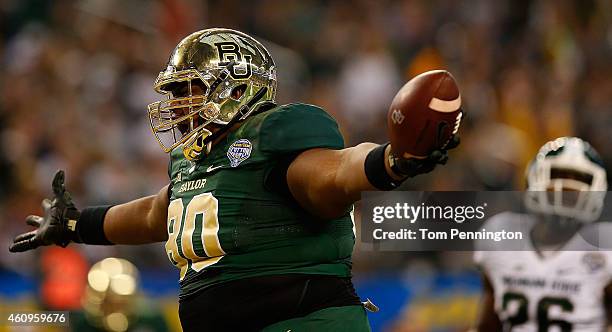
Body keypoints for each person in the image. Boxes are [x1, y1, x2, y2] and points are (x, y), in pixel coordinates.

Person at [10, 28, 458, 331]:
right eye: (176, 91)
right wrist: (77, 224)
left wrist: (390, 162)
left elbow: (335, 171)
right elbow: (154, 213)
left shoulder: (276, 133)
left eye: (191, 89)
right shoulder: (197, 160)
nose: (179, 103)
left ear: (238, 87)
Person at [474, 137, 612, 331]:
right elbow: (488, 326)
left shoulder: (605, 247)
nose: (568, 188)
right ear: (535, 178)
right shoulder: (500, 234)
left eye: (581, 180)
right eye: (558, 174)